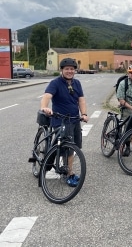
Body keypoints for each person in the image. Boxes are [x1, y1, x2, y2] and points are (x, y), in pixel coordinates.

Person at [40, 57, 89, 187]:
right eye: (67, 69)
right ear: (62, 70)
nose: (69, 71)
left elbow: (81, 100)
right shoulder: (55, 83)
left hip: (74, 119)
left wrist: (83, 114)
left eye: (72, 69)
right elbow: (47, 96)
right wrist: (45, 107)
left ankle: (64, 166)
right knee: (68, 148)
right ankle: (69, 174)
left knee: (74, 146)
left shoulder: (77, 83)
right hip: (60, 119)